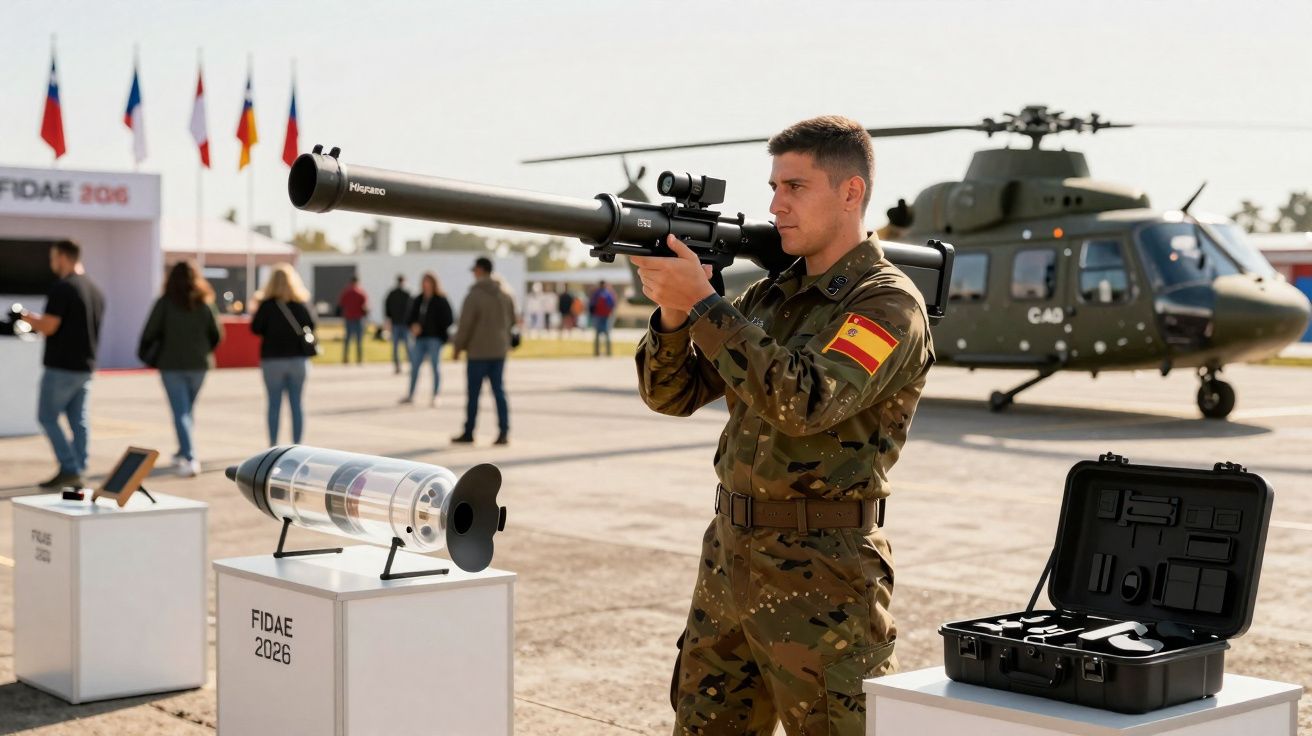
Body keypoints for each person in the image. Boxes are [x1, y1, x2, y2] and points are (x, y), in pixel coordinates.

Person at [633, 116, 934, 734]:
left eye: (795, 187)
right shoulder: (771, 298)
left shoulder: (886, 303)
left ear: (851, 192)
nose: (775, 205)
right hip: (730, 561)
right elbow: (672, 394)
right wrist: (671, 313)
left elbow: (805, 402)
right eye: (773, 187)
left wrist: (703, 303)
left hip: (824, 577)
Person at [18, 240, 106, 489]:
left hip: (62, 367)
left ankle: (70, 468)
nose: (51, 263)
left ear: (64, 257)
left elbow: (49, 326)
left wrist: (24, 316)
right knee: (78, 420)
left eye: (53, 258)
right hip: (86, 366)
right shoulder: (95, 289)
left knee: (46, 417)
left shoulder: (63, 288)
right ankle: (79, 469)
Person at [138, 261, 223, 477]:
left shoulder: (165, 303)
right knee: (186, 411)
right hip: (199, 365)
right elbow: (217, 335)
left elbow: (149, 332)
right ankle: (183, 449)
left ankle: (190, 456)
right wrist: (203, 350)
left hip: (171, 364)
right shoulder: (204, 303)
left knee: (181, 412)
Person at [450, 256, 516, 446]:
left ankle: (469, 431)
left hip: (478, 352)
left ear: (479, 270)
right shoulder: (505, 293)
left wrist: (457, 347)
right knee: (499, 391)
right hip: (499, 351)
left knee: (473, 394)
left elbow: (465, 325)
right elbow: (512, 320)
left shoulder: (475, 295)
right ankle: (504, 432)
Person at [251, 264, 317, 446]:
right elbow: (312, 326)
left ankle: (273, 445)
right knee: (297, 404)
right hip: (297, 360)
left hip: (272, 360)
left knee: (274, 405)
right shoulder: (300, 305)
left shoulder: (266, 306)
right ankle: (297, 444)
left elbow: (256, 328)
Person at [401, 271, 454, 407]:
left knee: (435, 367)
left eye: (428, 281)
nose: (425, 284)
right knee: (415, 367)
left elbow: (449, 319)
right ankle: (411, 394)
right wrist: (413, 326)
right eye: (424, 281)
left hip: (435, 338)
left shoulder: (441, 300)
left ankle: (435, 395)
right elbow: (409, 317)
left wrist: (438, 329)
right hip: (420, 339)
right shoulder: (418, 299)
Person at [384, 274, 413, 374]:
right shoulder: (406, 294)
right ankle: (409, 366)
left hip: (398, 323)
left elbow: (387, 308)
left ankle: (399, 366)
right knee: (406, 346)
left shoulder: (392, 294)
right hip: (402, 323)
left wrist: (388, 319)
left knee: (398, 347)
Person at [337, 275, 368, 364]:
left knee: (347, 339)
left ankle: (345, 358)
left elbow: (341, 304)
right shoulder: (361, 292)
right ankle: (359, 358)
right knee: (359, 340)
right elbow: (365, 306)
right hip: (358, 318)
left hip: (348, 318)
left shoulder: (346, 292)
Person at [588, 280, 617, 356]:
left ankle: (596, 352)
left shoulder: (596, 293)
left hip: (598, 316)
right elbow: (613, 304)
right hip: (607, 316)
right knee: (607, 334)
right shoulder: (608, 293)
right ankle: (608, 352)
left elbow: (591, 304)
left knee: (597, 335)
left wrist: (592, 314)